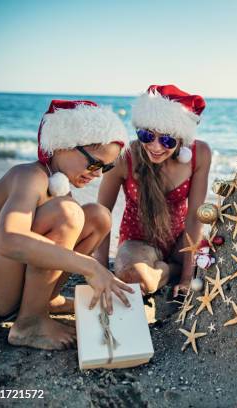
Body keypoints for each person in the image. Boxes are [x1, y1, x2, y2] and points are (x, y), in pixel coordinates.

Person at [0, 100, 134, 350]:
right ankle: (29, 323)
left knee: (98, 216)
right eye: (94, 164)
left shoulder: (58, 184)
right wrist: (90, 266)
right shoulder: (28, 176)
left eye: (106, 167)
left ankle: (44, 301)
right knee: (68, 214)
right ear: (61, 145)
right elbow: (9, 240)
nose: (98, 174)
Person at [97, 85, 211, 296]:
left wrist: (186, 279)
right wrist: (101, 271)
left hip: (180, 241)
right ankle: (170, 271)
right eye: (147, 136)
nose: (156, 147)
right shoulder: (124, 157)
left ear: (181, 137)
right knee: (136, 280)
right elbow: (102, 215)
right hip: (137, 242)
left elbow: (195, 218)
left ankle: (175, 270)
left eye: (167, 139)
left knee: (215, 261)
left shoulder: (200, 154)